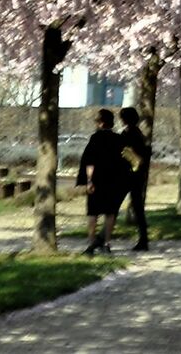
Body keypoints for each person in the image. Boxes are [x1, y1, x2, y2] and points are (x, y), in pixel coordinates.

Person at [74, 108, 132, 254]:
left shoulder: (95, 139)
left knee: (93, 213)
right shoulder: (119, 139)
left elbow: (89, 162)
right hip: (113, 181)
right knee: (110, 213)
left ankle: (91, 244)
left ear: (100, 123)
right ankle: (106, 244)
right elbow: (128, 160)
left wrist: (88, 180)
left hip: (97, 181)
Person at [118, 106, 153, 251]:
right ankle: (143, 239)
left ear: (124, 119)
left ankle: (102, 239)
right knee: (138, 208)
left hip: (127, 175)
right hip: (138, 175)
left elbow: (121, 153)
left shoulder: (127, 135)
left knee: (113, 206)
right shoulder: (140, 134)